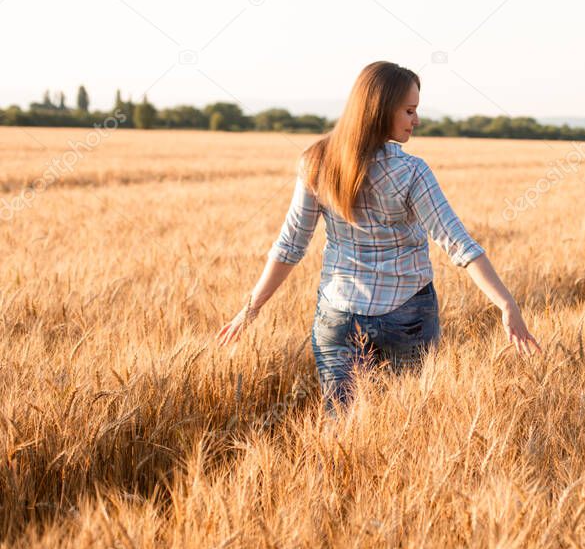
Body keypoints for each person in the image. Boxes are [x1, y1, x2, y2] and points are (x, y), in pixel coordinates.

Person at [216, 61, 542, 415]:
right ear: (381, 110)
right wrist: (506, 304)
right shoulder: (411, 171)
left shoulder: (316, 162)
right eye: (409, 110)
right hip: (409, 317)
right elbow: (457, 242)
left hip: (339, 317)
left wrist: (250, 310)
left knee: (340, 425)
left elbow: (291, 245)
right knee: (407, 423)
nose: (416, 120)